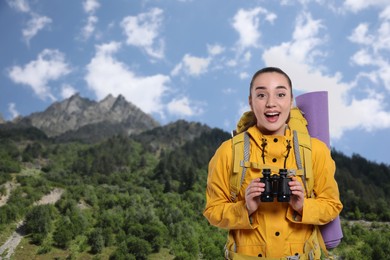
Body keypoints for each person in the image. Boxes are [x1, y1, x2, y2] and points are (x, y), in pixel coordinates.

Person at [203, 67, 343, 259]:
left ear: (291, 100)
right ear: (251, 102)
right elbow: (212, 210)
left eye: (280, 94)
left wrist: (303, 206)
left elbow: (332, 205)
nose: (271, 103)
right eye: (261, 95)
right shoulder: (229, 152)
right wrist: (245, 208)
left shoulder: (315, 151)